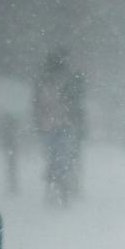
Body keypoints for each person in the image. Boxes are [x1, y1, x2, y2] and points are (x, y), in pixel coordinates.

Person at [33, 48, 86, 205]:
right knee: (62, 157)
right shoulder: (68, 81)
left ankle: (56, 184)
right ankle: (61, 184)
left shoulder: (45, 81)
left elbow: (37, 104)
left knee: (56, 157)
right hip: (62, 125)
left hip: (52, 125)